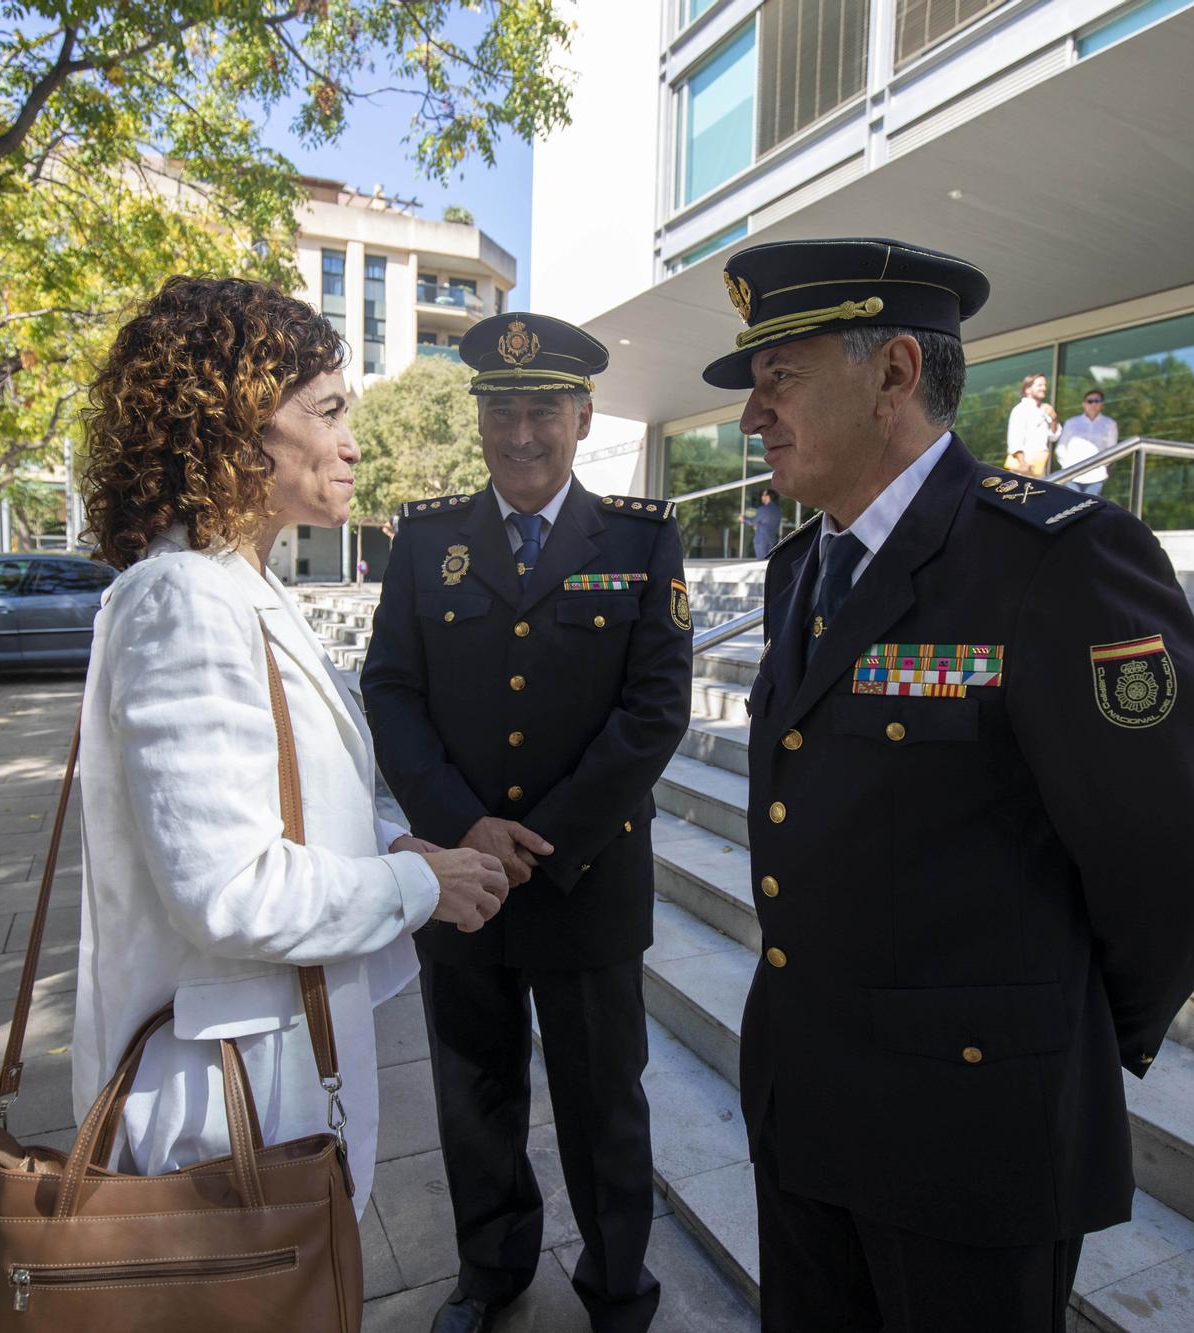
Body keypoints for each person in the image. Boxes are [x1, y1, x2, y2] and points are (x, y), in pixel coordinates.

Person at [699, 237, 1194, 1331]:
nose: (752, 417)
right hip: (805, 1104)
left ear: (893, 373)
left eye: (779, 380)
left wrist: (1051, 1040)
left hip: (974, 1132)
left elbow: (1175, 863)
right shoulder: (799, 567)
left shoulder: (1056, 560)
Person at [68, 276, 509, 1227]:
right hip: (229, 1116)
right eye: (329, 409)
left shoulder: (239, 587)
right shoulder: (185, 597)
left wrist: (394, 843)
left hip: (275, 1086)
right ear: (237, 425)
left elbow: (291, 799)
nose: (354, 441)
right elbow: (228, 887)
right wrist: (421, 891)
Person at [362, 312, 693, 1333]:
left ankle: (615, 1286)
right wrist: (463, 828)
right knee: (473, 1094)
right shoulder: (425, 542)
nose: (519, 433)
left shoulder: (638, 538)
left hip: (585, 879)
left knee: (605, 1106)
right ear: (477, 419)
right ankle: (491, 1269)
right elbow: (390, 689)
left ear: (582, 415)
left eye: (540, 409)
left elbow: (654, 709)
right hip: (459, 885)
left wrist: (537, 838)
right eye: (500, 410)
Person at [1055, 389, 1117, 495]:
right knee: (1071, 508)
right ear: (1083, 404)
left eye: (1097, 401)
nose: (1093, 404)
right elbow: (1061, 447)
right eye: (1090, 401)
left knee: (1090, 509)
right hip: (1071, 475)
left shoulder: (1110, 424)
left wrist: (1101, 465)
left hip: (1096, 477)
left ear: (1102, 404)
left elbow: (1112, 450)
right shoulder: (1071, 422)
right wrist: (1067, 466)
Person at [1005, 373, 1059, 477]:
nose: (1044, 388)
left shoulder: (1045, 409)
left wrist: (1054, 419)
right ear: (1027, 389)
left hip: (1039, 469)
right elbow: (1015, 440)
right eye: (1040, 385)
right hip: (1024, 469)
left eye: (1044, 385)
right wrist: (1023, 464)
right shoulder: (1020, 410)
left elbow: (1053, 437)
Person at [747, 486, 784, 557]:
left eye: (763, 495)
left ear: (768, 496)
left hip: (761, 539)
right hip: (773, 539)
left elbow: (753, 522)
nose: (762, 497)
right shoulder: (778, 510)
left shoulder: (763, 509)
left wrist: (743, 518)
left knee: (761, 563)